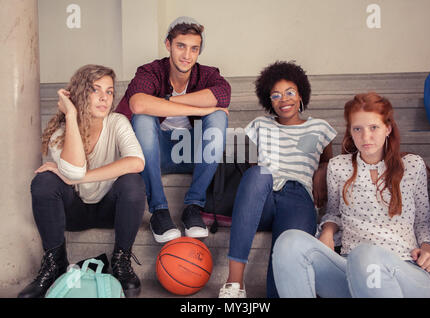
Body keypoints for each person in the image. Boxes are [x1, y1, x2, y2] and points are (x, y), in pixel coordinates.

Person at [272, 92, 430, 298]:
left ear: (388, 128)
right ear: (350, 132)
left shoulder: (413, 166)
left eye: (374, 127)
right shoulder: (338, 167)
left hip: (405, 270)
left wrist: (429, 249)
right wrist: (327, 232)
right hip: (351, 268)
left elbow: (422, 223)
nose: (365, 137)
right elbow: (334, 214)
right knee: (289, 242)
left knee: (366, 254)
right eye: (357, 129)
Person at [18, 65, 146, 298]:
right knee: (44, 181)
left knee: (132, 182)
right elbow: (74, 171)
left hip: (111, 210)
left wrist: (79, 175)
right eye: (95, 90)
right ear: (79, 93)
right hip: (73, 211)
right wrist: (71, 115)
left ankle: (121, 261)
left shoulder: (118, 122)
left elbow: (137, 162)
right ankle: (54, 263)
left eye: (109, 92)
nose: (104, 98)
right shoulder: (61, 131)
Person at [218, 61, 337, 298]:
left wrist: (322, 170)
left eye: (290, 92)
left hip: (299, 197)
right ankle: (235, 283)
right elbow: (253, 166)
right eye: (276, 95)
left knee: (282, 285)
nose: (284, 99)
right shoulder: (260, 125)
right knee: (259, 174)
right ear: (268, 101)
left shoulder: (320, 127)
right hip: (263, 197)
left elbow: (326, 161)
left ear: (301, 94)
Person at [116, 16, 231, 243]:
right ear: (168, 45)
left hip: (192, 153)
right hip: (154, 153)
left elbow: (223, 96)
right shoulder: (151, 72)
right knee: (142, 118)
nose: (187, 55)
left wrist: (172, 103)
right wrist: (197, 109)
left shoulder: (207, 75)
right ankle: (159, 210)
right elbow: (138, 103)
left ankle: (193, 208)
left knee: (218, 115)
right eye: (180, 46)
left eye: (194, 49)